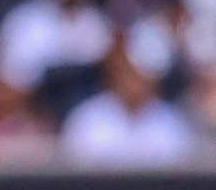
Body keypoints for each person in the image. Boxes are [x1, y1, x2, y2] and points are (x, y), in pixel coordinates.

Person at [61, 35, 197, 167]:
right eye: (130, 73)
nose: (135, 83)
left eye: (143, 76)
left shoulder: (171, 122)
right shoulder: (86, 118)